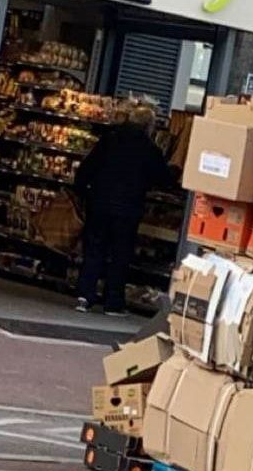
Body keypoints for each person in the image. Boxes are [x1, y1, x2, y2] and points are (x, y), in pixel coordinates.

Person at [73, 105, 173, 316]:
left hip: (99, 203)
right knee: (120, 254)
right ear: (149, 126)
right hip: (128, 208)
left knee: (94, 249)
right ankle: (113, 302)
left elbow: (87, 167)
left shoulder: (109, 139)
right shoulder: (149, 148)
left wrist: (82, 192)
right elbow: (164, 179)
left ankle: (84, 296)